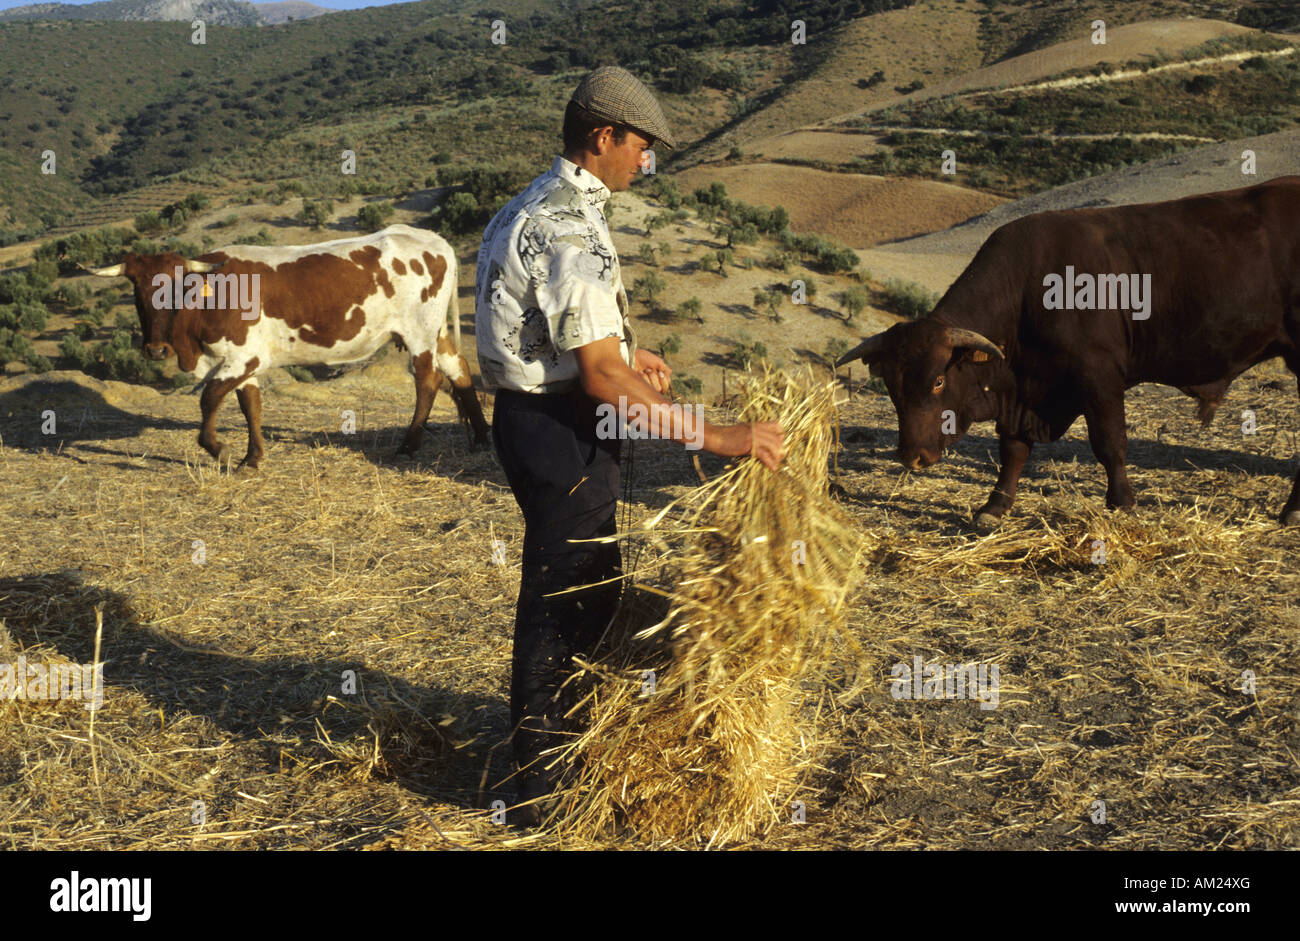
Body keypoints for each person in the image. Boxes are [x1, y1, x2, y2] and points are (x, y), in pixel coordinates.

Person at [474, 65, 786, 825]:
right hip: (560, 429)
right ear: (603, 136)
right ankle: (544, 788)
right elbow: (604, 382)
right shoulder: (573, 226)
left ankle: (574, 746)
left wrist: (622, 349)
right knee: (565, 596)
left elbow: (574, 341)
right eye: (640, 146)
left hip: (530, 415)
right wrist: (721, 436)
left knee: (587, 583)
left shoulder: (531, 204)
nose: (645, 161)